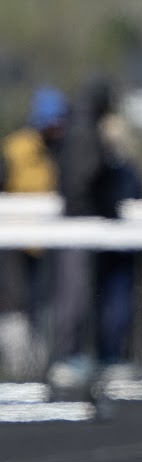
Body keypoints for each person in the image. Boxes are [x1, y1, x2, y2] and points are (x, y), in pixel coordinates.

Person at [0, 85, 68, 380]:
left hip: (45, 243)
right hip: (14, 243)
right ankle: (17, 368)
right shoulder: (14, 150)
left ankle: (41, 366)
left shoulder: (59, 151)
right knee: (14, 305)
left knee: (43, 305)